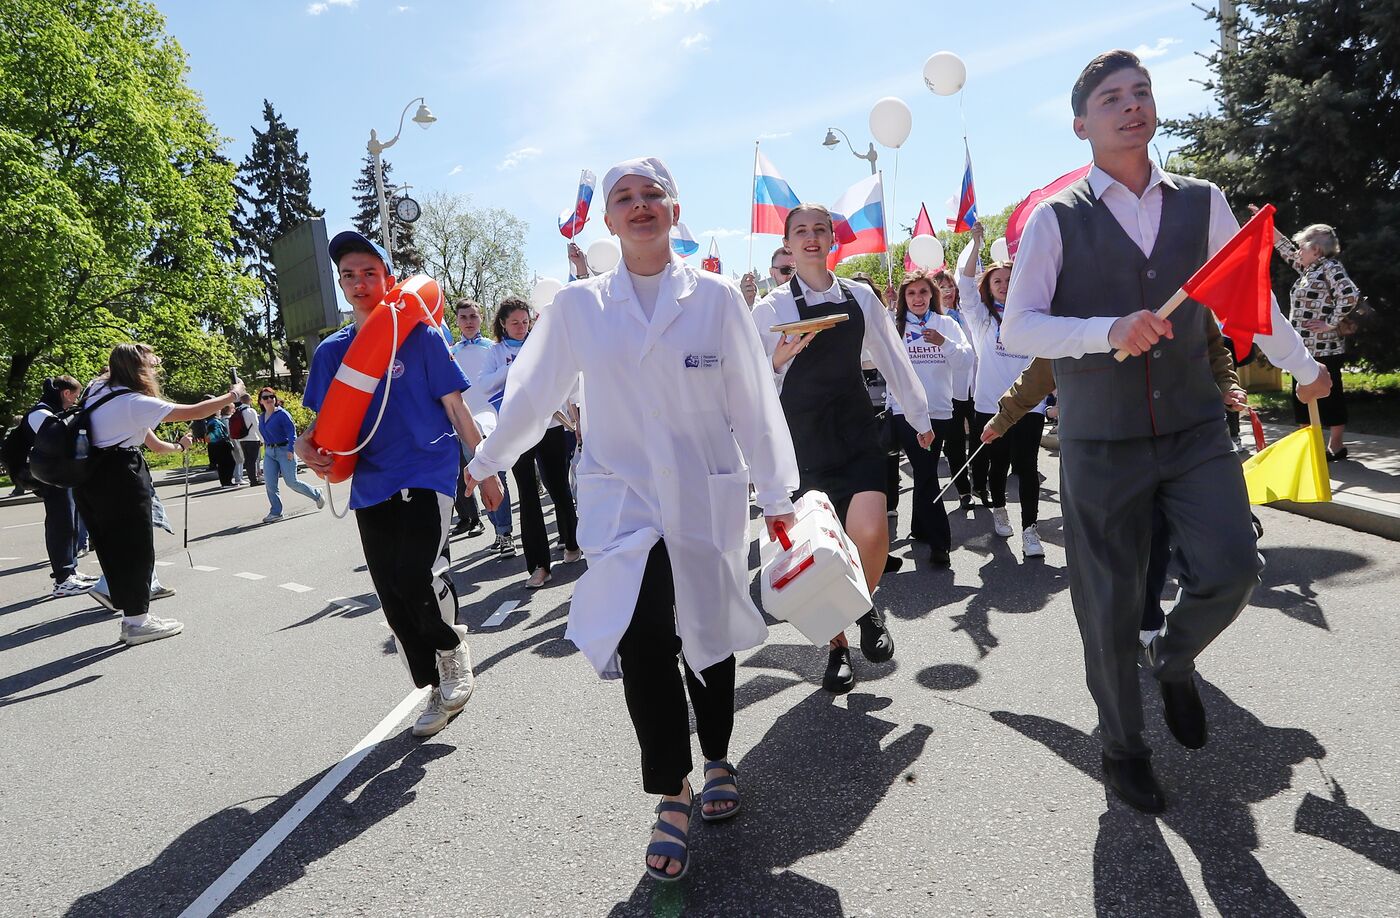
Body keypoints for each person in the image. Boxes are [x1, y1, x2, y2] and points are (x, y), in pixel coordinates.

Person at [1002, 49, 1330, 813]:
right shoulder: (1058, 218)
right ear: (1081, 123)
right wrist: (1105, 328)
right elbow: (1020, 328)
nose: (1131, 105)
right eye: (1111, 97)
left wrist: (1302, 366)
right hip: (1099, 441)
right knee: (1107, 607)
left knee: (1233, 568)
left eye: (1142, 92)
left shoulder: (1201, 200)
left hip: (1191, 430)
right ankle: (1123, 749)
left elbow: (1249, 301)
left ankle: (1174, 657)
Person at [465, 157, 797, 882]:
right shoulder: (580, 308)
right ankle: (670, 793)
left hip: (705, 494)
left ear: (675, 211)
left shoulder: (714, 298)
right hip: (625, 503)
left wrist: (777, 496)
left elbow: (753, 402)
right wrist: (488, 460)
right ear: (608, 220)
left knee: (707, 637)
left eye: (654, 195)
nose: (640, 206)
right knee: (645, 639)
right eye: (625, 198)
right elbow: (531, 394)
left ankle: (716, 757)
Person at [298, 231, 494, 738]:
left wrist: (485, 465)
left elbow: (456, 405)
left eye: (369, 273)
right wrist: (304, 450)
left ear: (388, 279)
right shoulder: (331, 352)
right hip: (371, 483)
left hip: (426, 470)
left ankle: (452, 650)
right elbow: (317, 431)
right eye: (349, 276)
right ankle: (432, 685)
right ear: (341, 284)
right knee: (390, 595)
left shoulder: (421, 335)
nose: (360, 284)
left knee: (414, 574)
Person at [750, 203, 934, 694]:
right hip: (800, 442)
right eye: (800, 232)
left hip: (857, 430)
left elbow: (892, 357)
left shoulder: (860, 296)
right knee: (819, 552)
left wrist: (918, 417)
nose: (810, 238)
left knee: (870, 533)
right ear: (787, 244)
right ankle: (837, 647)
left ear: (832, 239)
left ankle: (866, 604)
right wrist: (776, 361)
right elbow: (748, 383)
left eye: (819, 230)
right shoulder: (768, 310)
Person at [77, 343, 239, 645]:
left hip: (89, 474)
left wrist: (176, 448)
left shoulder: (96, 388)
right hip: (120, 474)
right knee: (137, 546)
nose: (156, 369)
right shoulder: (134, 401)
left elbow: (148, 440)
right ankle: (137, 622)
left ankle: (127, 607)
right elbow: (195, 411)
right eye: (152, 364)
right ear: (137, 368)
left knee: (112, 545)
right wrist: (233, 395)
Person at [476, 297, 581, 589]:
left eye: (525, 322)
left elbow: (565, 381)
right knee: (528, 495)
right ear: (502, 324)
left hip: (549, 425)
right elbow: (484, 385)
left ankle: (572, 542)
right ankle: (539, 566)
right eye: (515, 323)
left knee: (558, 486)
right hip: (516, 431)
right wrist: (514, 369)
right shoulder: (495, 352)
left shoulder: (542, 345)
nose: (521, 328)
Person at [958, 223, 1047, 557]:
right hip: (990, 405)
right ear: (990, 288)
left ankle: (1030, 530)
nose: (1005, 285)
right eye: (998, 281)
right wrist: (975, 243)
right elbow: (965, 285)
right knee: (997, 464)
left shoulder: (1033, 315)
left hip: (1029, 404)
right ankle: (998, 508)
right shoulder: (981, 318)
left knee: (1026, 466)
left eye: (1010, 280)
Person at [1258, 212, 1361, 460]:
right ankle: (1310, 444)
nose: (1298, 251)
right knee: (1301, 392)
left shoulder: (1330, 267)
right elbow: (1288, 253)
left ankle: (1336, 446)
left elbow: (1349, 294)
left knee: (1330, 394)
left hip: (1326, 348)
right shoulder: (1309, 269)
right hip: (1303, 346)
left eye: (1302, 246)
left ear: (1315, 249)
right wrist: (1266, 224)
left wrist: (1329, 324)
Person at [891, 271, 972, 567]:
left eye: (923, 292)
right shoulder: (895, 325)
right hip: (905, 412)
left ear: (931, 295)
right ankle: (940, 543)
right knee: (926, 472)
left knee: (925, 473)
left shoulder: (947, 323)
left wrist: (944, 343)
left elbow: (966, 361)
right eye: (911, 294)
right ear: (904, 298)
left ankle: (920, 528)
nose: (917, 299)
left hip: (939, 412)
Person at [22, 376, 98, 598]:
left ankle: (70, 571)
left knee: (71, 522)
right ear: (65, 393)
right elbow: (59, 440)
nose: (75, 400)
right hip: (49, 477)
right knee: (61, 523)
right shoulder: (40, 414)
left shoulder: (49, 412)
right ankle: (63, 579)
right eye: (74, 396)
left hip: (59, 474)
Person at [448, 298, 512, 544]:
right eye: (463, 317)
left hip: (494, 420)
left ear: (481, 318)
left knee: (497, 475)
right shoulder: (451, 353)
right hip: (467, 426)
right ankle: (498, 528)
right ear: (457, 321)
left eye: (473, 316)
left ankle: (504, 532)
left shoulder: (492, 349)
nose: (469, 322)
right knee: (479, 476)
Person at [932, 268, 979, 510]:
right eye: (940, 287)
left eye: (949, 286)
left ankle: (981, 483)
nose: (947, 291)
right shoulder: (935, 321)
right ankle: (963, 490)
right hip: (951, 390)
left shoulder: (966, 314)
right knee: (955, 442)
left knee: (982, 436)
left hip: (977, 385)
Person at [257, 387, 323, 523]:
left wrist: (290, 450)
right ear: (260, 401)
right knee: (270, 484)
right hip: (269, 452)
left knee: (291, 482)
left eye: (271, 396)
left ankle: (316, 495)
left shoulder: (282, 414)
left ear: (275, 399)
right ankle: (276, 512)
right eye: (265, 397)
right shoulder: (262, 417)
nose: (269, 399)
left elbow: (292, 433)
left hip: (284, 450)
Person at [232, 394, 261, 486]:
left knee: (248, 460)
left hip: (242, 439)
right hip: (252, 438)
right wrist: (263, 439)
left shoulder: (237, 411)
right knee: (253, 460)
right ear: (250, 400)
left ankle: (251, 479)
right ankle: (253, 480)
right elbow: (257, 426)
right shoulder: (251, 411)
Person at [206, 404, 237, 487]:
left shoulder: (210, 421)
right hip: (221, 444)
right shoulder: (215, 422)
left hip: (214, 445)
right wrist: (226, 439)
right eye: (218, 410)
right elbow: (219, 433)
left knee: (222, 464)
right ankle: (227, 481)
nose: (219, 411)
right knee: (229, 463)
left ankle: (225, 482)